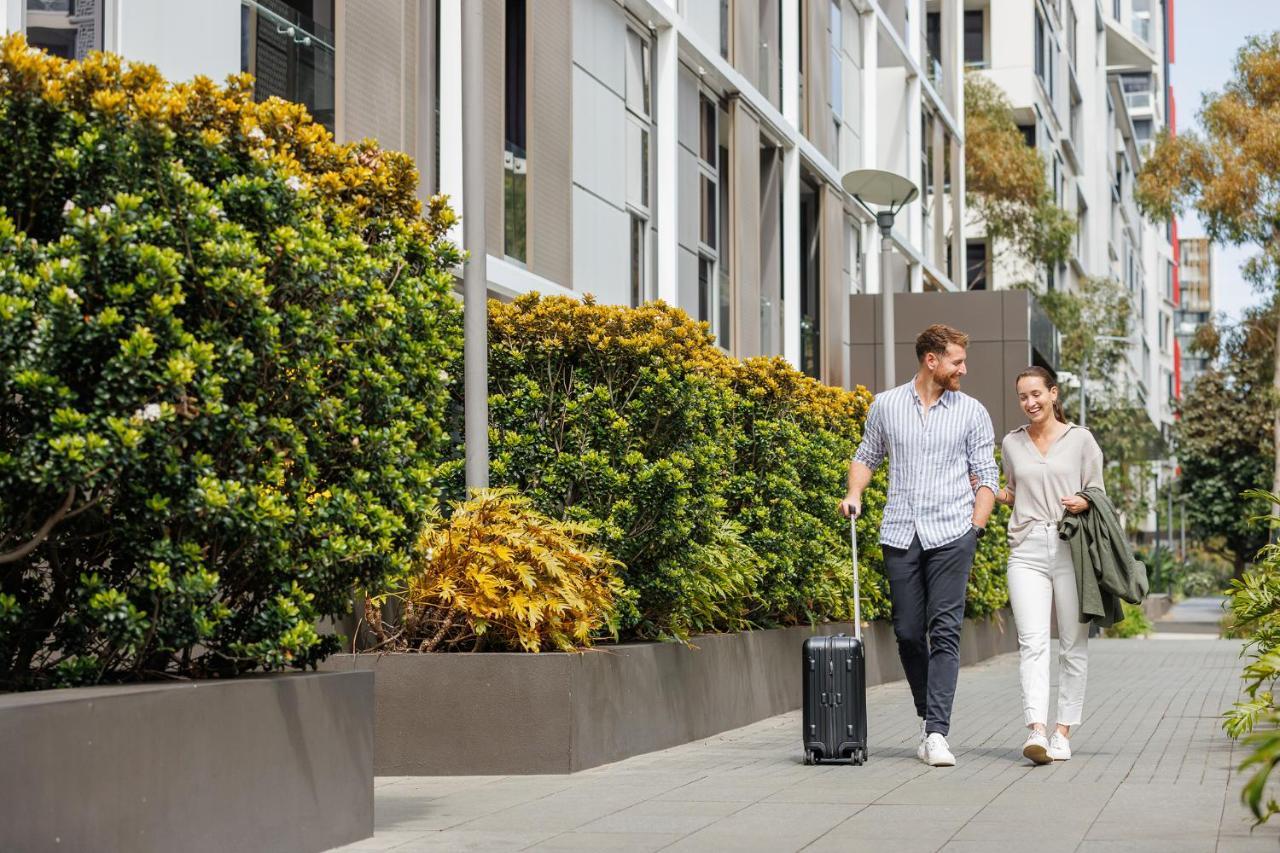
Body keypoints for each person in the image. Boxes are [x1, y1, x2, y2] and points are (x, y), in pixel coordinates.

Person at [840, 324, 998, 768]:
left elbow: (987, 474)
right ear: (932, 360)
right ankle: (927, 714)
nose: (963, 369)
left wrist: (975, 529)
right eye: (957, 362)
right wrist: (854, 493)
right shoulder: (886, 406)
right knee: (908, 633)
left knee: (945, 631)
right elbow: (866, 455)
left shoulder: (972, 412)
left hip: (953, 534)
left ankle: (936, 733)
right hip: (900, 533)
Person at [990, 366, 1104, 765]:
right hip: (1026, 548)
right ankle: (1036, 730)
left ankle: (1063, 732)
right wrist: (989, 491)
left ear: (1053, 394)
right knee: (1032, 643)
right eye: (1023, 396)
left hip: (1071, 546)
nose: (1030, 402)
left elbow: (1098, 493)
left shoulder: (1081, 440)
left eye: (1037, 394)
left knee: (1073, 644)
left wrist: (1085, 501)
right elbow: (1014, 491)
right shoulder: (1011, 443)